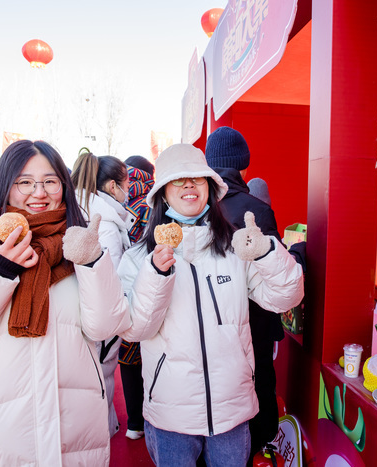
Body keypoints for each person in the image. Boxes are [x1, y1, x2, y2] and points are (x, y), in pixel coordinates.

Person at [0, 140, 131, 465]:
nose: (39, 192)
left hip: (75, 431)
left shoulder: (80, 243)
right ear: (6, 187)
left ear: (64, 185)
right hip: (0, 435)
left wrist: (92, 262)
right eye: (24, 182)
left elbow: (104, 326)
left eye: (49, 181)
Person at [117, 144, 304, 466]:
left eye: (198, 179)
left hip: (231, 408)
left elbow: (285, 298)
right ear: (162, 193)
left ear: (211, 189)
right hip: (170, 412)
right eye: (179, 180)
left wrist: (267, 252)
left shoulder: (235, 249)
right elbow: (134, 329)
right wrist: (156, 274)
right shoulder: (138, 259)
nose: (189, 185)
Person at [205, 126, 286, 459]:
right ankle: (256, 447)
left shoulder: (198, 207)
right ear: (244, 165)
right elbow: (273, 273)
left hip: (211, 321)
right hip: (256, 320)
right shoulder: (258, 209)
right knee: (258, 387)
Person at [71, 149, 133, 437]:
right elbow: (111, 279)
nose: (129, 189)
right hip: (101, 320)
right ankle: (102, 435)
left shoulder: (88, 213)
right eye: (127, 182)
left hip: (84, 315)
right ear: (113, 186)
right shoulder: (106, 224)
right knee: (101, 379)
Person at [118, 155, 155, 440]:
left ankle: (135, 423)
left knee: (128, 353)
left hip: (124, 281)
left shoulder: (119, 203)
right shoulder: (155, 202)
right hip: (155, 279)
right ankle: (150, 414)